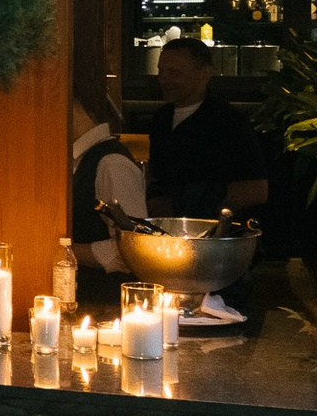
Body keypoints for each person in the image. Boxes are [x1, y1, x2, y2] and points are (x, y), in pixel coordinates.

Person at [147, 38, 269, 219]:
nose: (163, 79)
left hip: (214, 229)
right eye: (161, 71)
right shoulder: (161, 119)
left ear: (204, 74)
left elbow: (256, 190)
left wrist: (182, 204)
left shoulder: (229, 122)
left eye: (173, 72)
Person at [69, 83, 144, 298]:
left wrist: (64, 252)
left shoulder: (112, 163)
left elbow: (132, 249)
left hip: (107, 301)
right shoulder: (80, 158)